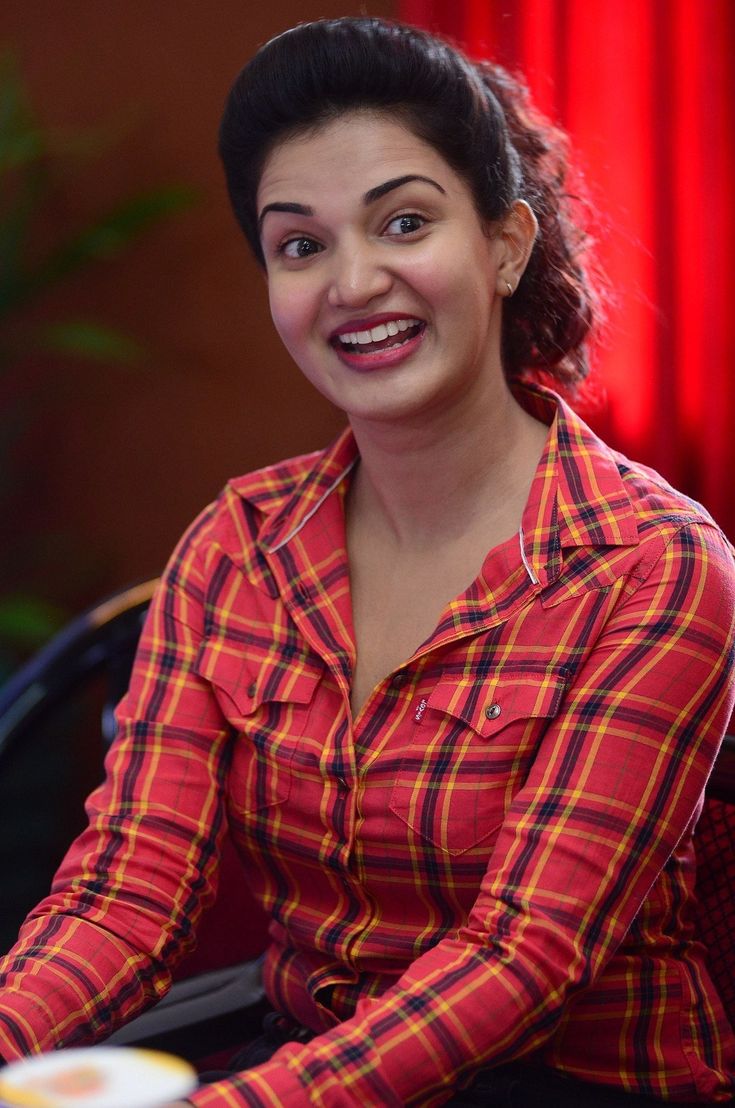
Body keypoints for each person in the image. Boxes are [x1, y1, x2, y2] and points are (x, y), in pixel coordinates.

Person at [0, 16, 733, 1107]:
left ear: (505, 244)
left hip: (565, 1078)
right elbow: (126, 898)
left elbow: (523, 956)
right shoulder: (237, 542)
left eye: (402, 223)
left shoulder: (657, 569)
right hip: (299, 1050)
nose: (353, 281)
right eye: (301, 244)